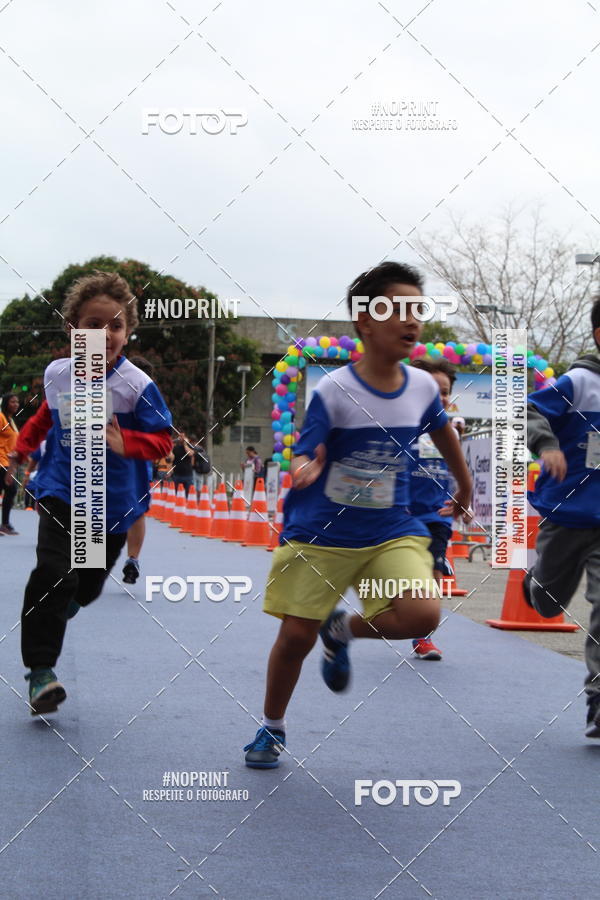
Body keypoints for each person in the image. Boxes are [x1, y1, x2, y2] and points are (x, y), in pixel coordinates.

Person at [243, 262, 473, 768]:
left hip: (391, 530)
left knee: (421, 614)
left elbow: (442, 434)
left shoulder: (421, 388)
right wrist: (304, 466)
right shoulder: (335, 390)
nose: (412, 321)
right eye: (399, 310)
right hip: (322, 531)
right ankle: (272, 726)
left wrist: (466, 482)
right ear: (365, 322)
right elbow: (305, 448)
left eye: (418, 310)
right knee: (295, 636)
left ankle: (343, 629)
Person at [6, 271, 172, 715]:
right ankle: (40, 671)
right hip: (63, 490)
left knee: (87, 585)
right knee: (54, 573)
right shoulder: (58, 374)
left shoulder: (136, 387)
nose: (104, 335)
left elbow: (163, 441)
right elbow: (46, 414)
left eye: (114, 326)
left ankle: (65, 605)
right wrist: (23, 446)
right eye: (92, 325)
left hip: (113, 505)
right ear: (72, 329)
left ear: (127, 332)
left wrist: (126, 443)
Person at [523, 298, 600, 739]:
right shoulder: (580, 382)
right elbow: (528, 410)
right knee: (548, 604)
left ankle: (598, 701)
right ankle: (536, 581)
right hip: (568, 513)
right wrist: (546, 444)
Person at [408, 358, 461, 660]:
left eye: (445, 391)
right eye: (431, 389)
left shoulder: (449, 431)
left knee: (434, 573)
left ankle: (423, 638)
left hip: (436, 515)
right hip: (400, 516)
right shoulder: (401, 427)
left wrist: (462, 500)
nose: (439, 397)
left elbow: (458, 472)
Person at [0, 393, 20, 535]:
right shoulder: (1, 417)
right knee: (11, 489)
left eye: (17, 402)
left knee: (9, 490)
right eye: (12, 401)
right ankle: (5, 524)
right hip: (1, 460)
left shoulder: (10, 420)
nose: (16, 404)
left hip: (8, 461)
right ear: (6, 403)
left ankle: (5, 524)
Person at [171, 432, 194, 497]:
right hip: (177, 475)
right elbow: (171, 458)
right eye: (180, 436)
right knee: (177, 495)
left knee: (188, 495)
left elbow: (190, 453)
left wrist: (185, 444)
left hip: (188, 475)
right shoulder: (175, 448)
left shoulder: (190, 446)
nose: (182, 438)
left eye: (183, 437)